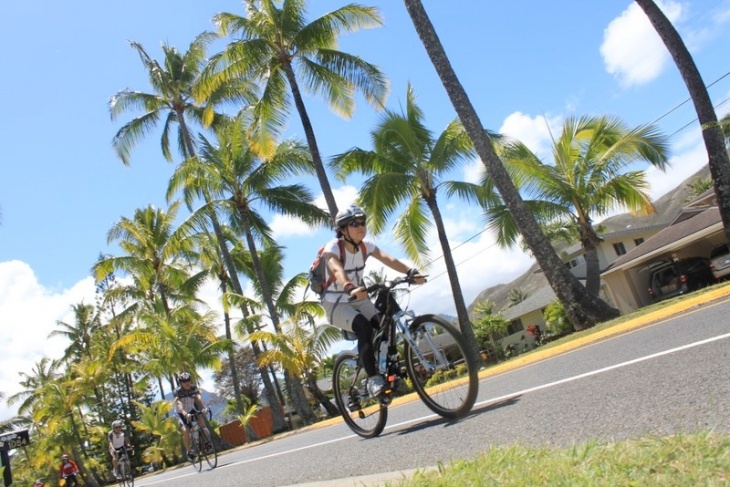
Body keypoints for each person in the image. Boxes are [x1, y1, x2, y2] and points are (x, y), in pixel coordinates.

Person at [322, 204, 425, 397]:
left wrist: (411, 272)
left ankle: (384, 367)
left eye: (362, 222)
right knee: (364, 326)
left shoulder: (365, 246)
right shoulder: (333, 248)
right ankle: (373, 379)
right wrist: (349, 287)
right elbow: (337, 270)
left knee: (383, 325)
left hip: (358, 297)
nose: (361, 226)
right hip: (335, 302)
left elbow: (388, 258)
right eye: (354, 223)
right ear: (343, 230)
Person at [173, 372, 209, 461]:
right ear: (180, 383)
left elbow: (198, 397)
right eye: (184, 381)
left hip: (191, 409)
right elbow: (179, 403)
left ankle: (207, 442)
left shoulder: (193, 387)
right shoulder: (178, 391)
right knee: (185, 431)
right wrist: (184, 413)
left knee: (202, 422)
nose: (187, 382)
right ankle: (189, 451)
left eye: (188, 380)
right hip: (181, 413)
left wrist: (204, 408)